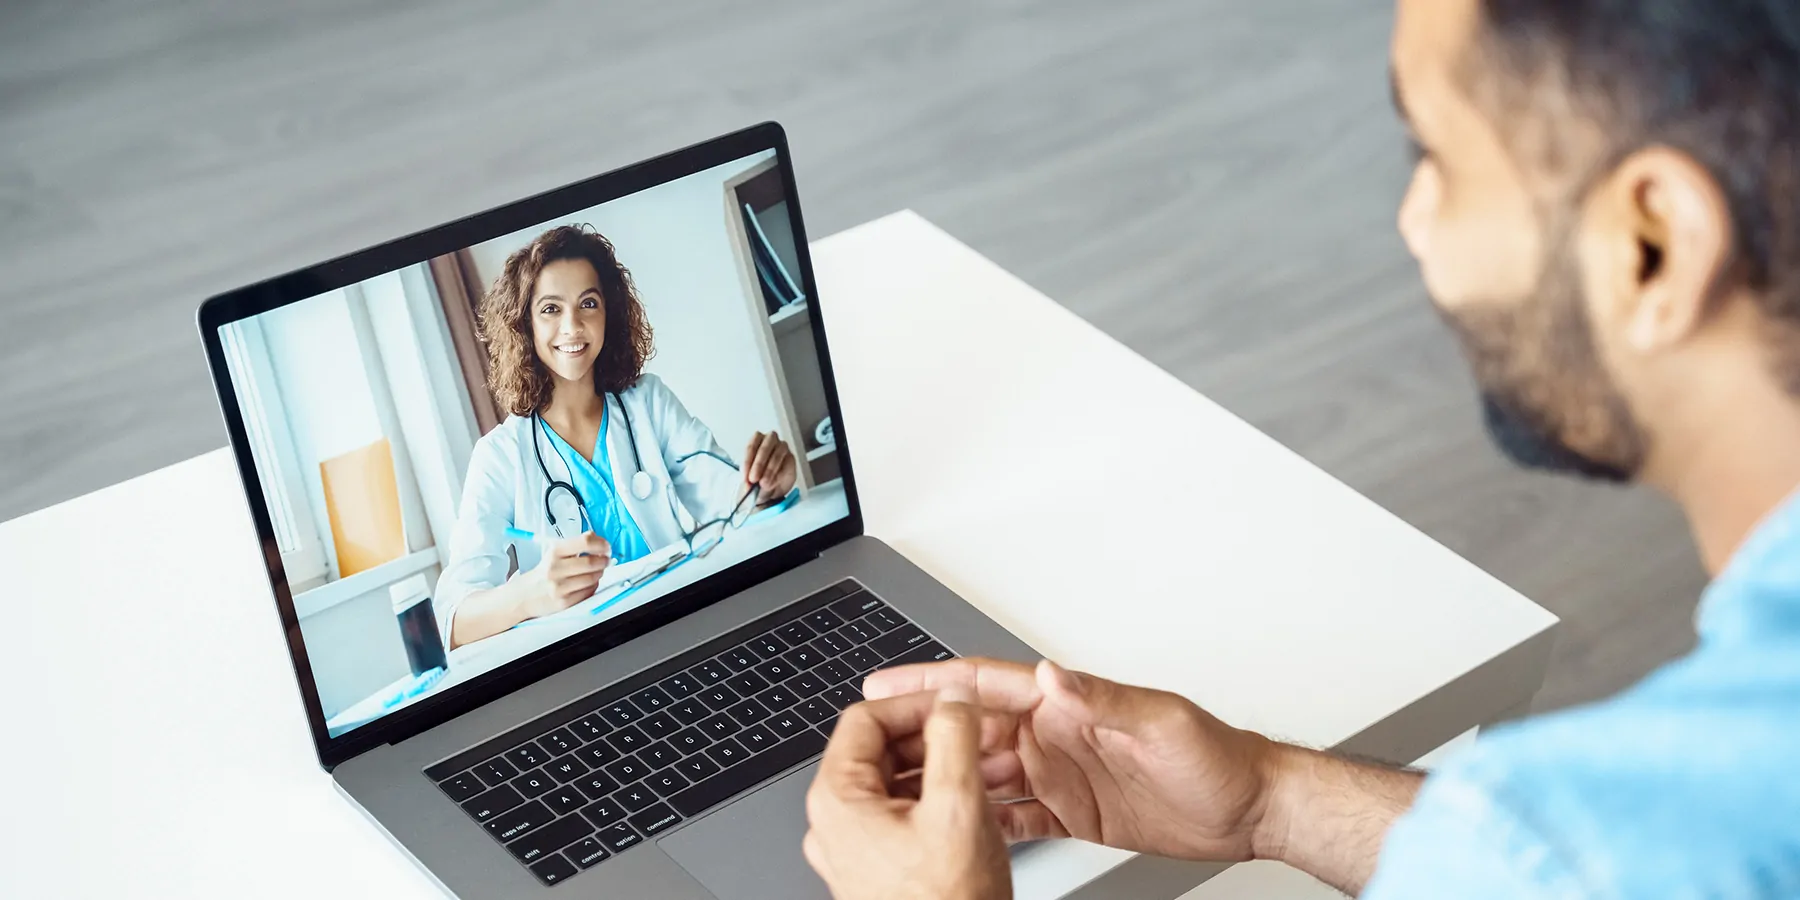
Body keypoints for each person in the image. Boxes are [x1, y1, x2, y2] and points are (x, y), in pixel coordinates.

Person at [803, 0, 1800, 896]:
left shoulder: (1586, 844)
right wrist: (1268, 799)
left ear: (1653, 245)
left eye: (1436, 159)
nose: (1413, 223)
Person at [435, 224, 798, 649]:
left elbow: (731, 499)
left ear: (610, 313)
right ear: (525, 324)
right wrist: (529, 594)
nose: (572, 326)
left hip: (687, 625)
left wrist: (766, 484)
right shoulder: (499, 456)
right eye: (550, 309)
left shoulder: (648, 403)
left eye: (588, 303)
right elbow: (453, 620)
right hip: (588, 658)